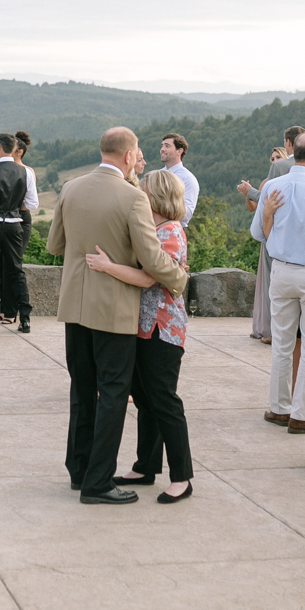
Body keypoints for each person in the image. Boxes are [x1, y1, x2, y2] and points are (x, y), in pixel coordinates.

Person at [48, 127, 190, 505]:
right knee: (112, 393)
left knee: (81, 390)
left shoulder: (70, 188)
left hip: (74, 307)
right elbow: (151, 257)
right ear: (129, 156)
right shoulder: (132, 198)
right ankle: (98, 482)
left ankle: (79, 471)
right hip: (112, 310)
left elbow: (54, 245)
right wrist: (178, 278)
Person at [86, 170, 194, 502]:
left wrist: (106, 266)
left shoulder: (170, 232)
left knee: (163, 400)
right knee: (146, 399)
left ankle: (182, 477)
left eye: (142, 193)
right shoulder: (156, 229)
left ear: (156, 197)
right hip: (144, 327)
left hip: (163, 329)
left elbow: (149, 278)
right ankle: (146, 466)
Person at [250, 132, 305, 434]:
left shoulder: (273, 187)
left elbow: (259, 235)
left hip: (283, 271)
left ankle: (278, 408)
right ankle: (302, 414)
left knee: (282, 344)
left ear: (292, 154)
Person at [238, 127, 305, 343]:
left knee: (272, 282)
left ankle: (272, 330)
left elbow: (271, 198)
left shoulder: (280, 167)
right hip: (303, 234)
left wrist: (249, 191)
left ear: (288, 143)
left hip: (276, 231)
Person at [0, 133, 39, 334]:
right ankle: (25, 320)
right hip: (15, 225)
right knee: (16, 271)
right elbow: (32, 204)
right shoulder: (26, 172)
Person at [11, 130, 37, 316]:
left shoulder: (28, 172)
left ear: (19, 151)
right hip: (9, 219)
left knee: (14, 263)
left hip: (21, 218)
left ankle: (16, 308)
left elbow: (31, 203)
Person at [157, 132, 199, 226]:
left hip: (175, 232)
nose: (162, 149)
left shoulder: (188, 179)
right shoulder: (156, 176)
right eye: (162, 146)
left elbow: (187, 214)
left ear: (179, 151)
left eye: (167, 146)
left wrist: (161, 206)